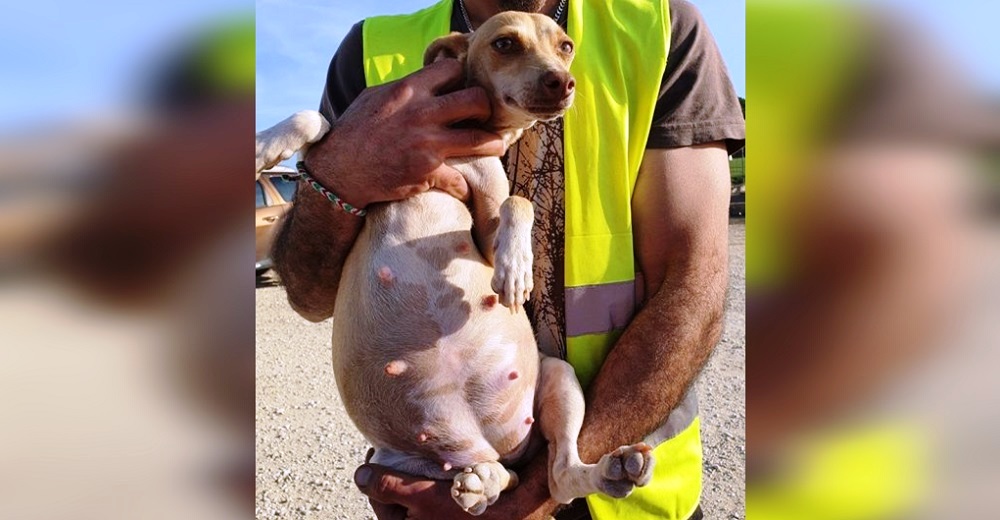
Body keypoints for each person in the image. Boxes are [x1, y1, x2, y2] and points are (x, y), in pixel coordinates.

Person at [273, 0, 744, 518]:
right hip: (445, 482)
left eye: (565, 52)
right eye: (506, 47)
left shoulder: (656, 25)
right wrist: (339, 176)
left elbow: (693, 288)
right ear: (452, 56)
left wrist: (533, 496)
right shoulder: (368, 53)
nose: (560, 73)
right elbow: (309, 294)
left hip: (630, 496)